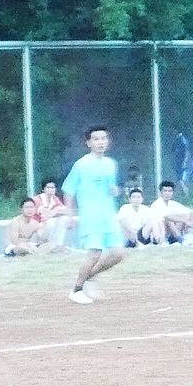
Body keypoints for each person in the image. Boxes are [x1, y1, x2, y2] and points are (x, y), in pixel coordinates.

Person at [61, 125, 127, 304]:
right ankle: (76, 290)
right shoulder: (81, 165)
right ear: (88, 143)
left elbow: (113, 188)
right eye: (96, 139)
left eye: (103, 138)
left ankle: (87, 278)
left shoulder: (111, 164)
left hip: (108, 216)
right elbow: (68, 190)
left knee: (118, 254)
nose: (100, 142)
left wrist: (116, 191)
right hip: (91, 217)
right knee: (94, 253)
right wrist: (69, 215)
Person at [149, 180, 193, 245]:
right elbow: (167, 217)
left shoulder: (172, 203)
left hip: (171, 232)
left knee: (184, 215)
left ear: (172, 192)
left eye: (170, 191)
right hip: (159, 234)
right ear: (161, 192)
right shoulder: (157, 204)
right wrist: (185, 221)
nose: (167, 193)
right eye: (165, 191)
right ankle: (180, 239)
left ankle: (188, 235)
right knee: (169, 220)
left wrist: (191, 223)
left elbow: (191, 212)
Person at [31, 179, 71, 250]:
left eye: (53, 188)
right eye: (48, 188)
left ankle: (57, 245)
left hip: (46, 225)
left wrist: (55, 211)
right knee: (50, 221)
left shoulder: (55, 199)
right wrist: (57, 209)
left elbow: (67, 211)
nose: (51, 190)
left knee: (63, 219)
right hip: (35, 230)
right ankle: (46, 245)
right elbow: (44, 213)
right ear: (43, 189)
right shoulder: (37, 199)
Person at [171, 131, 193, 196]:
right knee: (180, 179)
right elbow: (173, 151)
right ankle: (183, 193)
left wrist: (185, 162)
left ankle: (187, 194)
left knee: (184, 180)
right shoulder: (176, 140)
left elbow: (187, 152)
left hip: (184, 164)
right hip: (179, 163)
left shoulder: (183, 140)